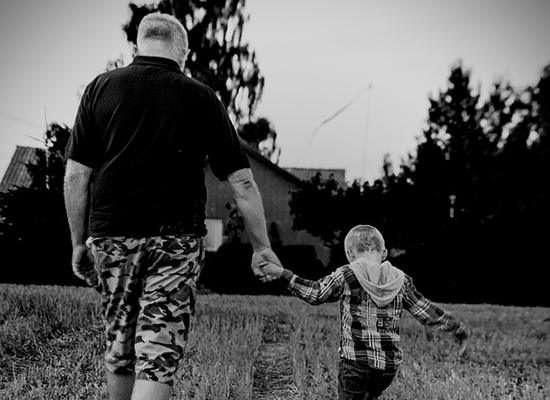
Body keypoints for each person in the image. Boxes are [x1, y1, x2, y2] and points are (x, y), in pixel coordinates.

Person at [63, 12, 280, 400]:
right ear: (184, 54)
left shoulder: (100, 88)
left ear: (136, 48)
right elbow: (242, 180)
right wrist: (262, 248)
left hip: (112, 236)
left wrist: (80, 244)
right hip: (176, 241)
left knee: (120, 345)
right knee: (157, 354)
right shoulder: (200, 95)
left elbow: (76, 176)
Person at [259, 224, 469, 400]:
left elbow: (315, 294)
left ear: (349, 254)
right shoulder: (401, 280)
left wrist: (283, 274)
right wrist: (456, 326)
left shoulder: (347, 274)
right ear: (384, 253)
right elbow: (425, 311)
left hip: (356, 363)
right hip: (387, 368)